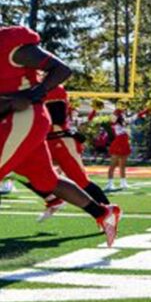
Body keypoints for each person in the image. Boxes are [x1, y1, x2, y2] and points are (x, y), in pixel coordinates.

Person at [0, 25, 120, 246]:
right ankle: (103, 213)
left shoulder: (9, 45)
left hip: (23, 118)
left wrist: (35, 92)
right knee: (48, 180)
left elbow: (61, 69)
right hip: (10, 119)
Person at [40, 85, 110, 222]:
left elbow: (56, 116)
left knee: (81, 181)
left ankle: (108, 211)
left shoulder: (53, 88)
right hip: (46, 140)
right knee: (32, 173)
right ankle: (54, 199)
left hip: (60, 139)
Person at [106, 99, 151, 191]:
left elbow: (134, 117)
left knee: (123, 164)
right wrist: (117, 111)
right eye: (122, 106)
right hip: (118, 140)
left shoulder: (124, 117)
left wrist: (146, 110)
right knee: (113, 164)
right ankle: (110, 184)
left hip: (124, 141)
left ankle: (123, 183)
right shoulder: (115, 116)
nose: (124, 108)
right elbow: (111, 121)